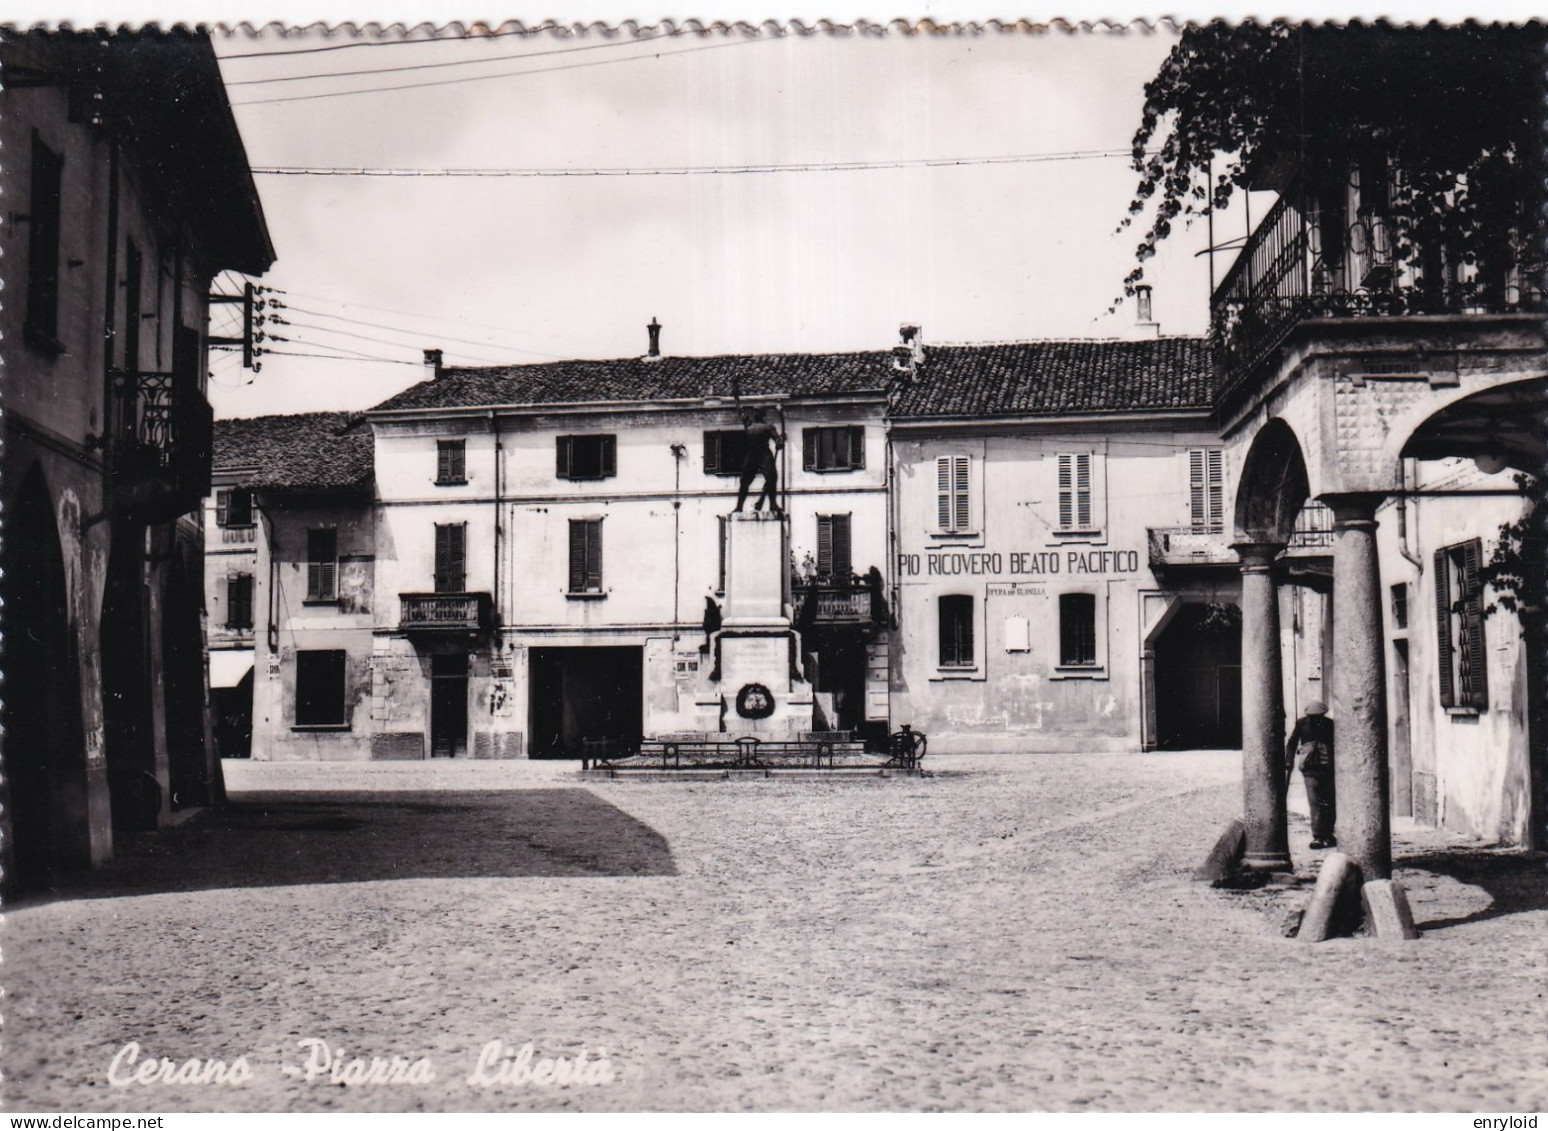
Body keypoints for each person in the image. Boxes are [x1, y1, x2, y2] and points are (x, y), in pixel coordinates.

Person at [1286, 700, 1336, 849]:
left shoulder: (1330, 724)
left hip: (1328, 768)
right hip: (1310, 769)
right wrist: (1289, 760)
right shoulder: (1301, 723)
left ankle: (1328, 834)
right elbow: (1292, 742)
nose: (1315, 719)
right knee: (1315, 802)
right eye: (1312, 716)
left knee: (1329, 802)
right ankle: (1318, 836)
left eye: (1318, 716)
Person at [733, 407, 784, 514]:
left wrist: (779, 443)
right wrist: (736, 398)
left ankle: (773, 504)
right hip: (752, 454)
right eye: (753, 412)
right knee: (745, 481)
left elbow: (777, 439)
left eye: (757, 412)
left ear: (762, 414)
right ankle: (739, 506)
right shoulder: (748, 424)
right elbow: (740, 410)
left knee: (772, 478)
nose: (754, 413)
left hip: (764, 454)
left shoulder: (768, 427)